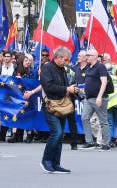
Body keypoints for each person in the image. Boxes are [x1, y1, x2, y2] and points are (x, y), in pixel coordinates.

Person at [40, 46, 78, 174]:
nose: (67, 63)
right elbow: (49, 86)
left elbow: (63, 86)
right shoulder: (47, 68)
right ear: (58, 57)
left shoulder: (62, 69)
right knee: (56, 133)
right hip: (50, 105)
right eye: (66, 60)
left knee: (60, 135)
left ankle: (56, 164)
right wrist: (67, 89)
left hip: (62, 105)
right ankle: (46, 161)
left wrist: (72, 89)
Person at [81, 49, 111, 150]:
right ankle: (89, 141)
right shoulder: (89, 68)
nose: (86, 57)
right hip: (88, 98)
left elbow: (104, 82)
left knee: (103, 121)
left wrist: (99, 96)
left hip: (99, 98)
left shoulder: (100, 66)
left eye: (88, 55)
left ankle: (106, 143)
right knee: (84, 118)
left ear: (94, 56)